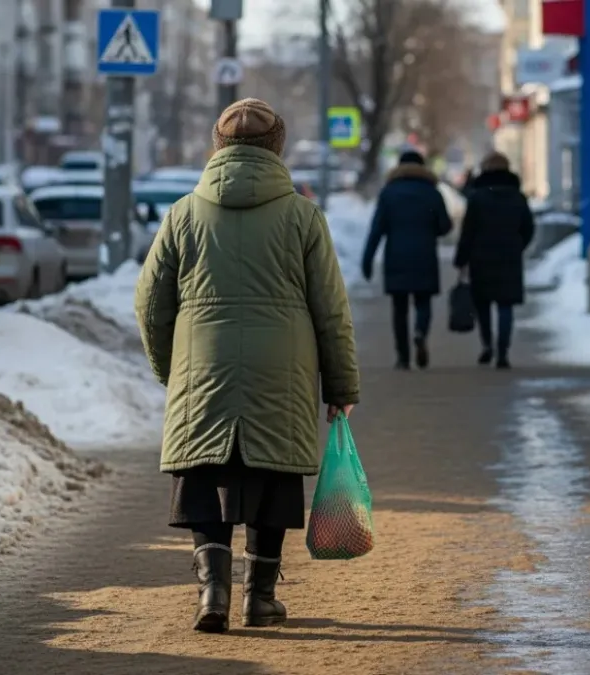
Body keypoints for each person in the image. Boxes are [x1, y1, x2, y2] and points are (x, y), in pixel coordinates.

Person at [135, 98, 360, 634]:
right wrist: (341, 383)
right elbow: (331, 307)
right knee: (271, 475)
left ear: (218, 145)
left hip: (203, 367)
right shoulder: (303, 216)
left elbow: (149, 302)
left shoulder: (184, 213)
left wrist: (173, 370)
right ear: (276, 147)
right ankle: (259, 599)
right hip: (280, 371)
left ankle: (212, 593)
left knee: (202, 474)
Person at [361, 150, 453, 369]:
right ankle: (420, 332)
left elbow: (377, 229)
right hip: (424, 254)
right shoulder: (432, 193)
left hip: (397, 256)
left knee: (399, 308)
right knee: (424, 301)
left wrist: (367, 259)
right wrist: (429, 230)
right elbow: (445, 225)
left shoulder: (389, 193)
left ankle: (403, 357)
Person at [454, 152, 535, 369]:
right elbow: (528, 228)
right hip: (509, 258)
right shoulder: (518, 197)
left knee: (483, 305)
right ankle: (503, 351)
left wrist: (461, 258)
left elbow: (467, 231)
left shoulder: (477, 198)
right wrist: (518, 246)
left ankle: (487, 345)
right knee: (505, 305)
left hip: (481, 258)